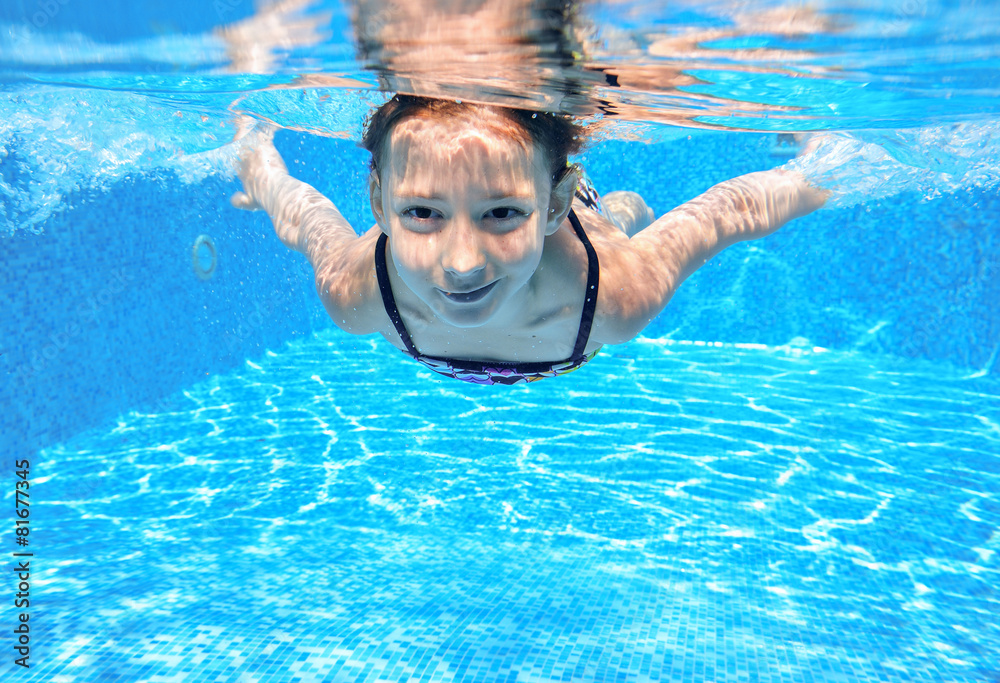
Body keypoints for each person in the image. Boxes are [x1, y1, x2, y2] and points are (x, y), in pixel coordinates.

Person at [232, 94, 827, 385]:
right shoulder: (357, 290)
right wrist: (259, 168)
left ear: (552, 205)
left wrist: (822, 172)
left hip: (577, 231)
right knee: (613, 222)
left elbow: (726, 214)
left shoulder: (613, 297)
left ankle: (612, 209)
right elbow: (303, 218)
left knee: (615, 225)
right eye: (420, 212)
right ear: (380, 205)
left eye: (501, 215)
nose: (462, 263)